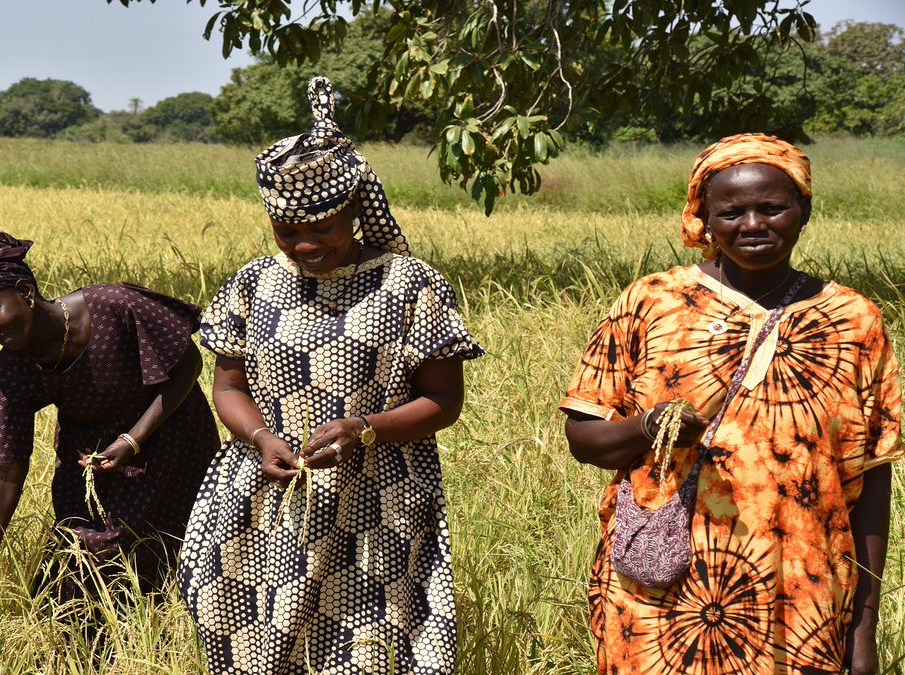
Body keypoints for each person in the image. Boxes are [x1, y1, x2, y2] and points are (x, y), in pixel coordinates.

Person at [559, 134, 900, 674]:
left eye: (772, 208)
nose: (753, 225)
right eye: (731, 212)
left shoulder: (854, 320)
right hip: (663, 593)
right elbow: (584, 439)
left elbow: (872, 475)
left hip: (802, 595)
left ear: (804, 211)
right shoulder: (652, 301)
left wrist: (863, 628)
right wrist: (649, 428)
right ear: (704, 219)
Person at [177, 76, 484, 675]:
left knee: (366, 652)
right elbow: (229, 386)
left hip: (378, 501)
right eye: (288, 231)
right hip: (269, 494)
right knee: (258, 651)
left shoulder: (409, 284)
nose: (305, 245)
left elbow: (444, 400)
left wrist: (363, 429)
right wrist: (260, 437)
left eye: (322, 228)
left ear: (355, 210)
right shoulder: (253, 282)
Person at [0, 228, 218, 614]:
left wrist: (132, 439)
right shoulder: (11, 372)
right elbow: (4, 469)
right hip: (92, 459)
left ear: (24, 292)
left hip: (174, 437)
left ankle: (164, 633)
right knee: (82, 559)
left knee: (181, 549)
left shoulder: (114, 306)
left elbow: (188, 365)